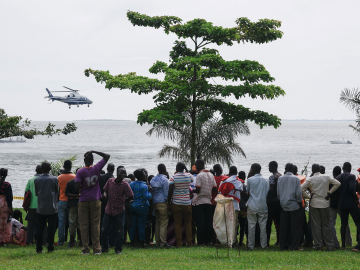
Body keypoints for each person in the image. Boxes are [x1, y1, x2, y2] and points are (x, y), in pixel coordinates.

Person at [74, 150, 110, 255]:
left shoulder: (80, 171)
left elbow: (76, 187)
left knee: (84, 225)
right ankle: (97, 249)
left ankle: (85, 249)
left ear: (84, 160)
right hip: (95, 200)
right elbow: (107, 156)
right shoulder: (97, 168)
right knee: (95, 225)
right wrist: (94, 150)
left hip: (83, 200)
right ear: (93, 160)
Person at [301, 163, 340, 251]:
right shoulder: (326, 177)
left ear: (312, 170)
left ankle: (319, 245)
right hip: (325, 203)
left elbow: (300, 188)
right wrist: (329, 192)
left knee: (316, 226)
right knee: (326, 224)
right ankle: (330, 245)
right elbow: (337, 183)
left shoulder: (310, 179)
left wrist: (309, 196)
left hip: (314, 203)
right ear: (319, 169)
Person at [101, 166, 134, 254]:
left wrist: (123, 201)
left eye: (124, 173)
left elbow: (131, 196)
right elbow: (105, 190)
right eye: (121, 173)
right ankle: (104, 247)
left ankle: (118, 248)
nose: (122, 175)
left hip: (119, 210)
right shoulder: (110, 181)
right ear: (117, 173)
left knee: (119, 231)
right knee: (104, 229)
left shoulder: (125, 184)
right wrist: (104, 194)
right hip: (109, 209)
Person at [34, 162, 59, 253]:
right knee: (51, 229)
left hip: (41, 208)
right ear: (49, 169)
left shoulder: (37, 180)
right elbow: (57, 192)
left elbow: (37, 193)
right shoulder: (54, 179)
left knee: (40, 229)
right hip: (52, 208)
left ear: (41, 169)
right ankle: (50, 247)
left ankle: (39, 248)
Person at [277, 163, 303, 251]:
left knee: (284, 228)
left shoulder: (280, 178)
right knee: (295, 228)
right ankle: (294, 246)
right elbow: (298, 193)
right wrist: (300, 203)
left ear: (285, 169)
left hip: (283, 206)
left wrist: (281, 200)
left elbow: (278, 192)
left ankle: (283, 246)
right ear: (293, 169)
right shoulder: (296, 179)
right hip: (294, 205)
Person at [192, 159, 217, 245]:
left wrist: (192, 190)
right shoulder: (211, 175)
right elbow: (215, 188)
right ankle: (208, 240)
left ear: (199, 165)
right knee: (208, 222)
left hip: (199, 202)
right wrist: (208, 189)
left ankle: (201, 241)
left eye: (196, 165)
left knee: (200, 223)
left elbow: (198, 189)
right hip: (208, 202)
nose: (195, 167)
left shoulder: (199, 175)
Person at [168, 162, 193, 248]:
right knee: (188, 223)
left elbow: (170, 190)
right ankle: (189, 242)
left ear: (176, 168)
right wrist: (186, 170)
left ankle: (179, 244)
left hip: (176, 203)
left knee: (177, 224)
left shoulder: (173, 177)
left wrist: (168, 202)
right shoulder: (189, 176)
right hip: (187, 202)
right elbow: (192, 180)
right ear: (184, 168)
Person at [336, 162, 360, 251]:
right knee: (358, 223)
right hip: (351, 203)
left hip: (342, 203)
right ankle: (359, 242)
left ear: (342, 168)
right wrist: (356, 198)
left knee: (343, 224)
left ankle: (343, 245)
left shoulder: (338, 177)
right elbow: (351, 188)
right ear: (350, 168)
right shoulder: (351, 176)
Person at [246, 163, 269, 250]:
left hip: (252, 205)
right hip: (263, 205)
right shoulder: (266, 180)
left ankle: (251, 245)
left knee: (251, 226)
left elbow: (247, 190)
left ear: (253, 170)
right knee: (263, 226)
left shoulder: (250, 180)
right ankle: (264, 245)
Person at [329, 166, 352, 249]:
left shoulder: (331, 182)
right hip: (342, 205)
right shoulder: (343, 180)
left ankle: (335, 243)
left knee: (331, 224)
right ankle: (348, 242)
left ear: (333, 173)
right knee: (345, 224)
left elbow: (330, 193)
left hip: (332, 205)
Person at [219, 166, 243, 244]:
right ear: (236, 172)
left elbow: (220, 193)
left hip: (225, 205)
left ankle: (226, 240)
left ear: (229, 172)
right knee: (234, 223)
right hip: (235, 205)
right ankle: (233, 241)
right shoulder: (239, 182)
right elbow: (241, 191)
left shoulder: (223, 181)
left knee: (226, 223)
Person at [129, 169, 152, 247]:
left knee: (134, 225)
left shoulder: (131, 184)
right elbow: (146, 197)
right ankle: (142, 242)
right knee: (141, 226)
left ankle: (132, 242)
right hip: (142, 207)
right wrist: (150, 192)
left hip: (133, 206)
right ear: (142, 176)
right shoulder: (144, 186)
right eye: (144, 174)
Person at [150, 164, 171, 247]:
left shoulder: (153, 179)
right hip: (162, 202)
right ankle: (163, 242)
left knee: (157, 222)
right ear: (165, 169)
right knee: (163, 223)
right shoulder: (165, 180)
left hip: (155, 203)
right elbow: (166, 193)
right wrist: (168, 203)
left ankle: (157, 242)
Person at [57, 160, 76, 246]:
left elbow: (57, 190)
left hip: (62, 201)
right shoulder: (75, 177)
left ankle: (61, 241)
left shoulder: (59, 178)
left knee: (61, 222)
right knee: (72, 222)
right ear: (71, 166)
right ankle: (73, 240)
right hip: (72, 202)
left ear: (64, 166)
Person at [24, 165, 42, 245]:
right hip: (42, 205)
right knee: (42, 224)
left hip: (31, 205)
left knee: (31, 224)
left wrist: (25, 204)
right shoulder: (43, 180)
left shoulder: (30, 180)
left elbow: (26, 192)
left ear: (35, 170)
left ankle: (29, 240)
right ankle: (43, 240)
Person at [266, 161, 282, 247]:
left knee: (268, 223)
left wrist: (266, 195)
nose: (269, 168)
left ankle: (267, 242)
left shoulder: (272, 177)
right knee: (279, 222)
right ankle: (279, 241)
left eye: (269, 167)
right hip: (279, 202)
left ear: (272, 167)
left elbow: (272, 189)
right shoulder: (280, 176)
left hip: (271, 202)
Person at [99, 163, 115, 246]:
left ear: (107, 168)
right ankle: (111, 241)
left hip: (101, 201)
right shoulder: (113, 179)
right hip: (110, 202)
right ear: (114, 169)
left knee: (102, 221)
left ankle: (102, 240)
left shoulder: (101, 177)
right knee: (111, 222)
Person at [65, 175, 81, 248]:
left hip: (72, 204)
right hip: (81, 204)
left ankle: (72, 242)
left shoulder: (70, 182)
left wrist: (74, 196)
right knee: (80, 223)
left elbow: (67, 193)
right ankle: (80, 241)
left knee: (72, 223)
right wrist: (78, 196)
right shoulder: (84, 183)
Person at [0, 168, 13, 246]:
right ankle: (4, 240)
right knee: (4, 222)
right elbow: (9, 197)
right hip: (4, 204)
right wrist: (10, 208)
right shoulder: (7, 185)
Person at [238, 171, 248, 246]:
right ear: (245, 177)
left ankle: (235, 241)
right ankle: (241, 241)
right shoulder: (245, 187)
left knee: (236, 226)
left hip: (237, 208)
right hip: (244, 209)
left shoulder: (236, 186)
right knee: (243, 226)